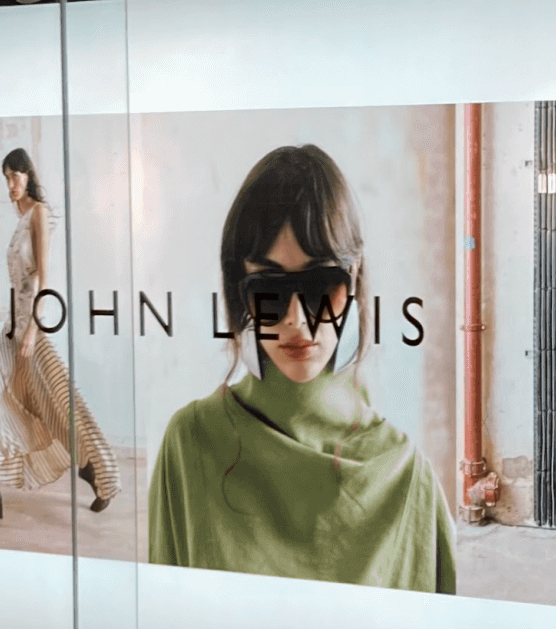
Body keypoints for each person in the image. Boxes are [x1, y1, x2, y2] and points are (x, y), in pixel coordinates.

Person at [148, 145, 455, 593]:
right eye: (268, 290)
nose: (296, 319)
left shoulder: (405, 478)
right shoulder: (190, 444)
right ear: (240, 291)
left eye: (319, 286)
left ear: (352, 280)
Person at [0, 149, 121, 525]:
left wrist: (33, 330)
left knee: (57, 408)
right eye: (5, 179)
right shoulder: (18, 218)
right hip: (12, 328)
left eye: (14, 177)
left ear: (27, 175)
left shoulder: (38, 214)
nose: (10, 186)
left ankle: (95, 470)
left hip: (30, 331)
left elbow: (43, 279)